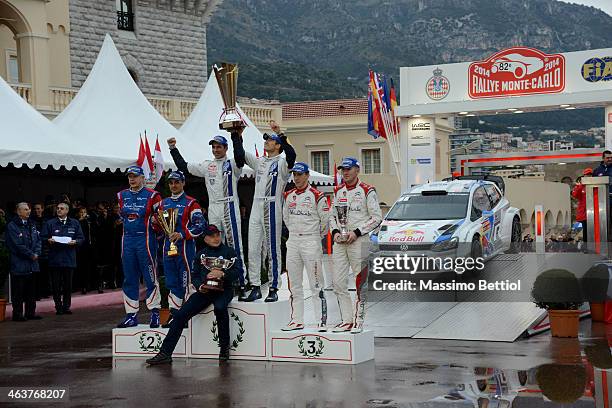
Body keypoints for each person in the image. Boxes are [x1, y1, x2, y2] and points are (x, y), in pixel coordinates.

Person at [146, 224, 241, 365]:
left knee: (220, 308)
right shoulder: (200, 254)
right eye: (212, 236)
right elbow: (195, 276)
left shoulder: (229, 252)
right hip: (205, 291)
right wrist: (200, 285)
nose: (216, 238)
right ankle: (165, 353)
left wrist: (223, 273)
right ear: (205, 238)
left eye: (217, 235)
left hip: (224, 290)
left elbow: (238, 273)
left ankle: (224, 349)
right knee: (179, 315)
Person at [168, 135, 248, 300]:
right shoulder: (207, 165)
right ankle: (216, 280)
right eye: (214, 147)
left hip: (229, 206)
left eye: (219, 147)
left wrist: (236, 136)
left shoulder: (233, 164)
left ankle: (241, 282)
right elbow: (184, 167)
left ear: (225, 148)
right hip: (214, 207)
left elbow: (240, 157)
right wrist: (173, 149)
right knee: (214, 245)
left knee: (235, 244)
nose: (216, 149)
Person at [231, 121, 296, 302]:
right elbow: (240, 155)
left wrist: (281, 134)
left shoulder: (283, 164)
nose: (266, 142)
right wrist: (236, 135)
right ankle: (255, 286)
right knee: (252, 249)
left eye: (270, 140)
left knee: (272, 248)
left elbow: (292, 155)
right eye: (266, 140)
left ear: (278, 146)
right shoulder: (260, 162)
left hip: (272, 205)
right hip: (256, 206)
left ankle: (274, 287)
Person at [330, 157, 382, 333]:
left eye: (348, 169)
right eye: (342, 169)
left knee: (360, 282)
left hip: (360, 241)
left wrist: (357, 232)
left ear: (357, 170)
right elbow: (331, 216)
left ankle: (358, 320)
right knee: (337, 283)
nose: (345, 172)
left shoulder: (368, 191)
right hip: (340, 242)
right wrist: (335, 232)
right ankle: (346, 320)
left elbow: (377, 218)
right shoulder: (337, 191)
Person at [281, 162, 330, 331]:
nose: (297, 178)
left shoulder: (318, 195)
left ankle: (321, 320)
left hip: (311, 240)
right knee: (294, 284)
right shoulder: (288, 195)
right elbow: (286, 219)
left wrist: (316, 236)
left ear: (307, 175)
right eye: (294, 174)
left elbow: (326, 222)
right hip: (293, 240)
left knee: (316, 283)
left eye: (300, 174)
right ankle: (297, 320)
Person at [155, 171, 206, 327]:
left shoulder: (192, 203)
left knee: (187, 282)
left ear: (183, 183)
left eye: (177, 182)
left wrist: (182, 234)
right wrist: (154, 222)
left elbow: (200, 226)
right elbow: (158, 227)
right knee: (172, 282)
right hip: (168, 248)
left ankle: (190, 315)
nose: (174, 185)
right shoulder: (163, 204)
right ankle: (175, 315)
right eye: (171, 183)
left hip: (185, 248)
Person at [116, 166, 162, 328]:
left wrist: (156, 226)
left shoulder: (153, 196)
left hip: (146, 240)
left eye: (135, 176)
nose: (132, 179)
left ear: (143, 177)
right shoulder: (122, 195)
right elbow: (121, 216)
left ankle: (155, 313)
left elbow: (162, 221)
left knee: (150, 277)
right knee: (129, 278)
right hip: (127, 240)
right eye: (129, 176)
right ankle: (131, 315)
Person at [41, 202, 84, 315]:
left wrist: (76, 241)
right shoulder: (50, 223)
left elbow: (81, 238)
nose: (59, 210)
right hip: (55, 259)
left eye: (61, 208)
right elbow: (43, 237)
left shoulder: (74, 223)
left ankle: (66, 306)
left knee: (68, 285)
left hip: (69, 259)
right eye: (58, 208)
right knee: (56, 285)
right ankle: (58, 306)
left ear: (67, 211)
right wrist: (48, 240)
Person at [5, 203, 42, 321]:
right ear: (18, 211)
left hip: (32, 264)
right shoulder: (12, 226)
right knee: (18, 292)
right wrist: (31, 255)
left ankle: (30, 313)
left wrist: (37, 253)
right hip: (19, 263)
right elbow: (16, 245)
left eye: (29, 209)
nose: (29, 211)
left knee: (31, 291)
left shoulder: (32, 224)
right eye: (26, 209)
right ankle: (18, 314)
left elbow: (38, 241)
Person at [76, 207, 94, 294]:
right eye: (81, 212)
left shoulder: (89, 221)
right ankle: (82, 286)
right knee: (81, 266)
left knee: (89, 266)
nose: (83, 213)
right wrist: (80, 220)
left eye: (84, 212)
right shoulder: (77, 222)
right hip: (81, 246)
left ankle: (89, 285)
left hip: (89, 246)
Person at [571, 169, 591, 244]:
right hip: (584, 214)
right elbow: (575, 195)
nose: (588, 176)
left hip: (593, 213)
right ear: (584, 176)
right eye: (587, 175)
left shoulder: (596, 184)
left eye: (590, 175)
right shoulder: (580, 186)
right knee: (585, 231)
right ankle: (586, 247)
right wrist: (580, 185)